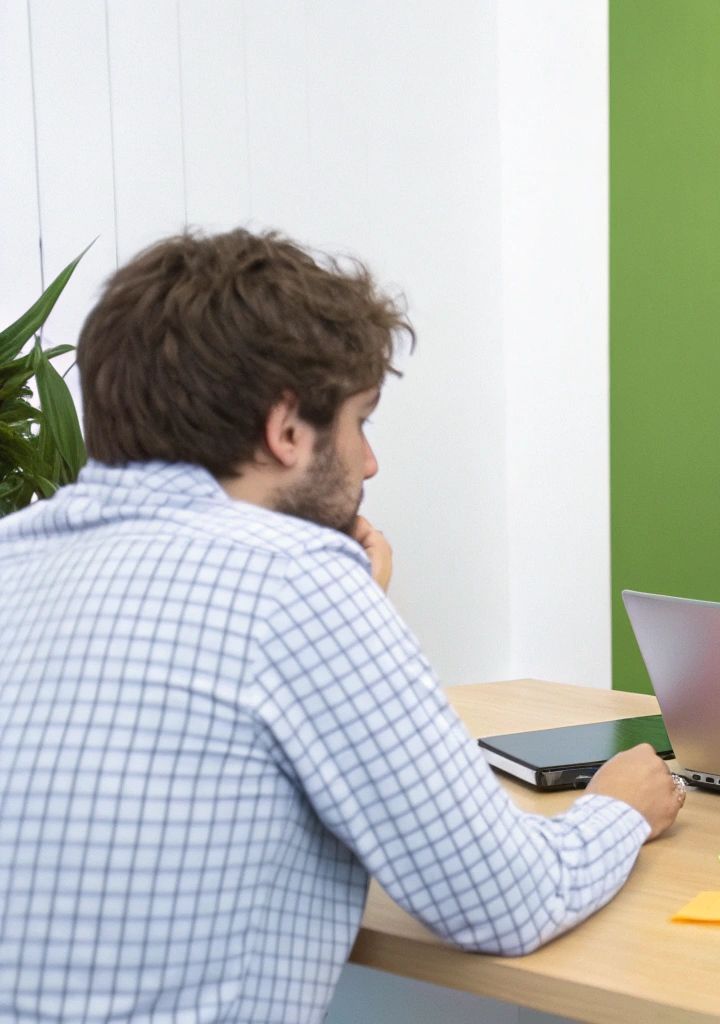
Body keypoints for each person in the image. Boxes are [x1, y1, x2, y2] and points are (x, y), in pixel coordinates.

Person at [0, 230, 683, 1022]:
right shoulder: (294, 579)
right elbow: (508, 902)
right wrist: (618, 808)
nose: (369, 463)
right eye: (360, 421)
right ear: (286, 430)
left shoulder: (16, 552)